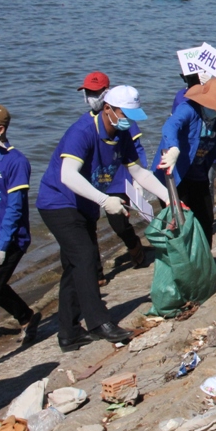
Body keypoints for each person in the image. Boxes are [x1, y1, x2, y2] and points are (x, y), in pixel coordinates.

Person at [36, 86, 169, 351]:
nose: (128, 120)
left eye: (133, 115)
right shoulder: (82, 131)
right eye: (124, 113)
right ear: (107, 108)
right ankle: (99, 323)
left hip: (85, 203)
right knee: (86, 256)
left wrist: (169, 197)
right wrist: (105, 200)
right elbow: (68, 175)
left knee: (75, 265)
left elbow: (138, 172)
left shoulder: (122, 134)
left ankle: (69, 333)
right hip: (58, 202)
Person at [154, 78, 216, 247]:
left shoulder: (215, 119)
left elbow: (211, 146)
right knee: (182, 225)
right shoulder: (188, 110)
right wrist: (173, 148)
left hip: (199, 174)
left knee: (206, 220)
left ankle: (206, 267)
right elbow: (169, 126)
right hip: (177, 175)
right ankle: (185, 270)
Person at [77, 72, 147, 278]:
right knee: (88, 227)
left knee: (119, 222)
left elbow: (136, 149)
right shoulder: (84, 124)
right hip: (93, 180)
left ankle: (133, 244)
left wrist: (139, 178)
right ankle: (96, 272)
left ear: (106, 93)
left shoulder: (122, 117)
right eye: (88, 92)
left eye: (96, 92)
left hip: (117, 178)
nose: (91, 96)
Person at [0, 104, 40, 345]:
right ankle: (25, 316)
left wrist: (1, 246)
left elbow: (15, 209)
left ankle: (26, 317)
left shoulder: (16, 162)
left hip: (11, 238)